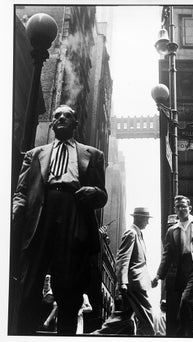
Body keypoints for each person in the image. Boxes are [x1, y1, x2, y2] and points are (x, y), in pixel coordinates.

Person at [11, 104, 108, 335]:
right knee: (30, 283)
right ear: (52, 123)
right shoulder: (35, 155)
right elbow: (21, 191)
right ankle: (22, 334)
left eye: (68, 116)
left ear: (75, 123)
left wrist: (94, 192)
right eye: (57, 116)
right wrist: (16, 211)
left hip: (74, 212)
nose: (61, 118)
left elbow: (102, 195)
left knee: (68, 288)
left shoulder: (93, 155)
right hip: (41, 214)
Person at [152, 195, 193, 337]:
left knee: (186, 301)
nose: (180, 209)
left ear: (189, 208)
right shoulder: (172, 230)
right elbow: (166, 255)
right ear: (175, 209)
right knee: (186, 307)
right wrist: (158, 275)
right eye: (177, 207)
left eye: (183, 206)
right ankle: (189, 335)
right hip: (180, 271)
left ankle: (182, 335)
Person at [91, 207, 155, 336]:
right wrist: (122, 282)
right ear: (139, 218)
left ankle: (95, 336)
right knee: (147, 318)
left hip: (136, 282)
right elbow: (123, 259)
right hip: (134, 284)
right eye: (146, 219)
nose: (148, 222)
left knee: (120, 319)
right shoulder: (131, 233)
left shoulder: (138, 234)